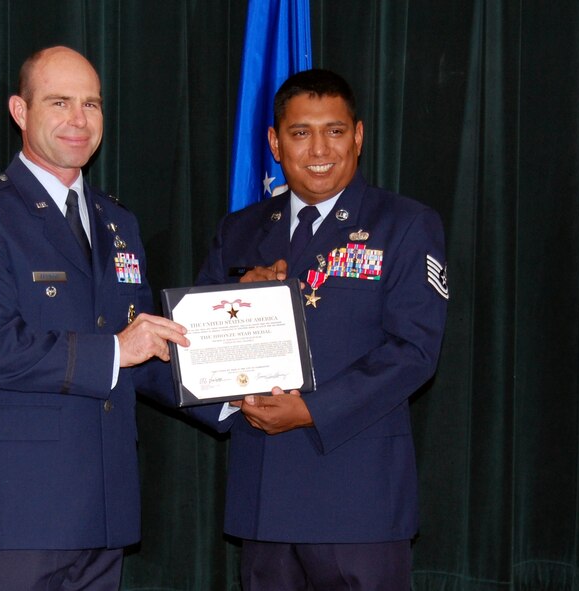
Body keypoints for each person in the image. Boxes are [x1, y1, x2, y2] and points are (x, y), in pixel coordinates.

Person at [0, 46, 189, 591]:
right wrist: (119, 350)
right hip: (17, 513)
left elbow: (139, 351)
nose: (79, 120)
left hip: (104, 509)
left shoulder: (117, 220)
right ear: (19, 112)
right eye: (59, 103)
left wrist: (233, 389)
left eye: (92, 104)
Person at [190, 69, 449, 589]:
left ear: (358, 135)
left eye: (334, 130)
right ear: (274, 142)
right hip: (265, 501)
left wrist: (312, 409)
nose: (318, 149)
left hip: (358, 502)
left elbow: (414, 350)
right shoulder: (240, 230)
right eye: (300, 133)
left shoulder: (404, 224)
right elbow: (197, 349)